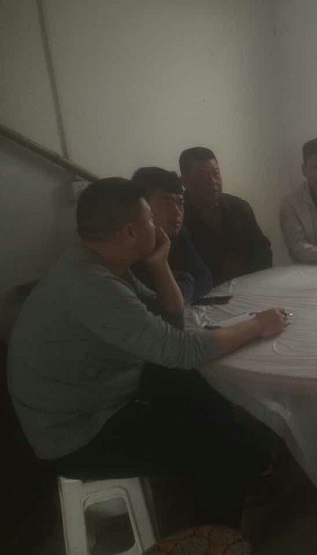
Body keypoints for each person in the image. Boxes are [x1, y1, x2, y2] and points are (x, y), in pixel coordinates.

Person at [7, 178, 289, 527]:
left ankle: (250, 463)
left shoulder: (97, 263)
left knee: (194, 385)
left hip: (105, 396)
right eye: (150, 219)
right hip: (79, 435)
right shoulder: (91, 285)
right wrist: (257, 325)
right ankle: (217, 535)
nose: (156, 226)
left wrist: (159, 265)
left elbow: (170, 318)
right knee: (208, 449)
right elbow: (183, 349)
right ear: (130, 232)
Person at [180, 147, 272, 284]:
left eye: (216, 173)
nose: (212, 181)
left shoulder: (239, 207)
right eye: (202, 176)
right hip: (205, 293)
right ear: (184, 181)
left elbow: (263, 251)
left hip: (249, 286)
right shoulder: (177, 217)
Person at [130, 166, 213, 303]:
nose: (177, 211)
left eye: (180, 203)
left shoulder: (179, 235)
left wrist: (181, 290)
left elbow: (204, 278)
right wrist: (181, 283)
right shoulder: (127, 243)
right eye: (166, 202)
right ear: (142, 206)